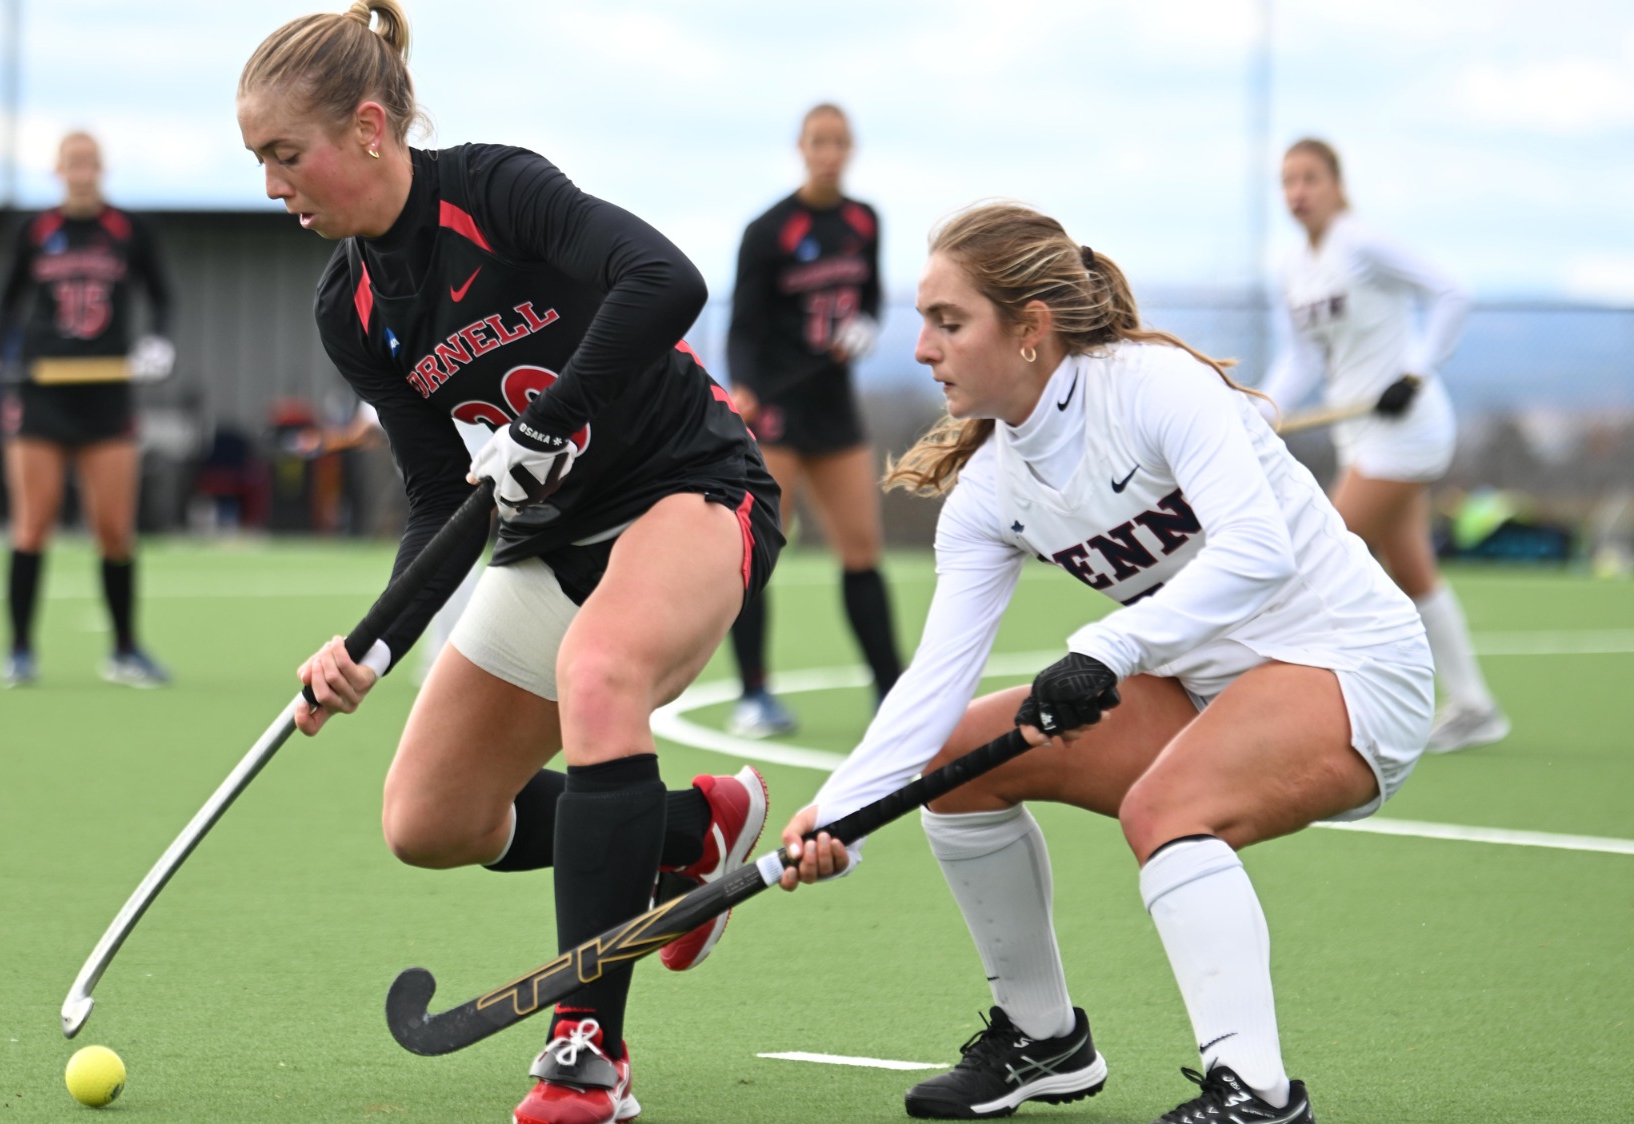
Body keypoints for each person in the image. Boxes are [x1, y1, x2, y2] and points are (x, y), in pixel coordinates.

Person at [235, 5, 783, 1121]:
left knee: (598, 675)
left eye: (285, 155)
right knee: (429, 820)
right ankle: (691, 830)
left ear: (372, 127)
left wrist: (549, 417)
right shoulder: (351, 307)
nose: (271, 184)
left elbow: (663, 280)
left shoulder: (494, 190)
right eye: (258, 161)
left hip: (686, 489)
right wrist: (372, 642)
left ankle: (588, 1046)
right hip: (546, 543)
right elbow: (443, 499)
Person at [777, 202, 1433, 1124]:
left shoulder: (1154, 387)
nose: (922, 347)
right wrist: (840, 810)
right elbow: (934, 680)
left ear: (1031, 329)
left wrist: (1107, 647)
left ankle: (1258, 1094)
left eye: (948, 321)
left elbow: (1258, 551)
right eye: (923, 321)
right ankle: (1042, 1040)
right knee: (949, 768)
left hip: (1350, 667)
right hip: (1207, 690)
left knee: (1168, 810)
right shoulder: (986, 494)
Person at [1261, 138, 1504, 754]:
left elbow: (1453, 292)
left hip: (1407, 427)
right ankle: (1475, 705)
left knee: (1323, 557)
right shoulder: (1290, 266)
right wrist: (1258, 410)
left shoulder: (1361, 243)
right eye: (1288, 181)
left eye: (1310, 178)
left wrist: (1415, 372)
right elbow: (1300, 357)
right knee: (1413, 571)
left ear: (1337, 184)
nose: (1298, 192)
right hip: (1357, 431)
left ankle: (1306, 713)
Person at [0, 131, 176, 689]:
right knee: (32, 523)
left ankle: (125, 650)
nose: (82, 171)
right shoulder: (36, 229)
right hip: (42, 393)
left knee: (114, 529)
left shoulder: (129, 229)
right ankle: (20, 649)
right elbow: (7, 303)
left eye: (90, 162)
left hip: (107, 394)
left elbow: (162, 297)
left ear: (102, 168)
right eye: (72, 163)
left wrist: (157, 343)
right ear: (58, 170)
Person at [724, 103, 902, 736]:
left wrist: (867, 326)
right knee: (761, 553)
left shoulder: (863, 220)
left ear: (851, 148)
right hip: (775, 410)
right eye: (818, 141)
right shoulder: (768, 229)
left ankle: (892, 694)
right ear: (801, 147)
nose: (829, 152)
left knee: (863, 551)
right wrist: (744, 386)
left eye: (839, 141)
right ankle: (754, 696)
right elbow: (742, 326)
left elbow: (872, 295)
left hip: (835, 409)